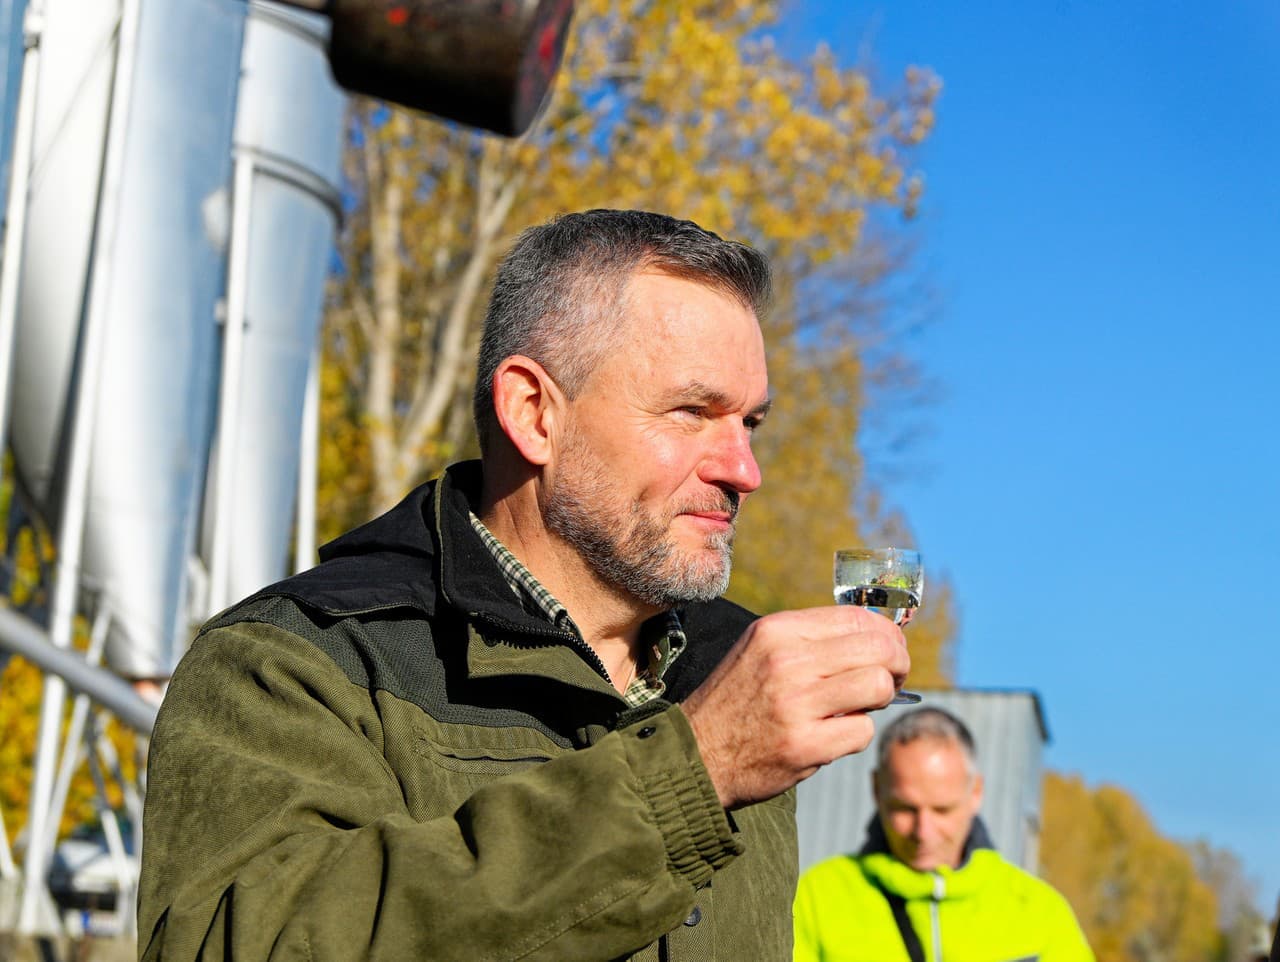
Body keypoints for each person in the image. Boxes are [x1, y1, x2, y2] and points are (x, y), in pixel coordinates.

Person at [138, 208, 912, 961]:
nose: (745, 470)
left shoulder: (730, 666)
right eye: (691, 412)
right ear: (534, 412)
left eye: (751, 424)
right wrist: (694, 771)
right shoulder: (300, 664)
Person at [793, 707, 1094, 962]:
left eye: (942, 810)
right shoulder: (815, 899)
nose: (923, 831)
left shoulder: (1041, 912)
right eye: (905, 809)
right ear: (876, 789)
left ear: (975, 792)